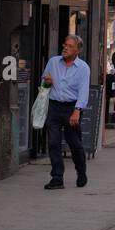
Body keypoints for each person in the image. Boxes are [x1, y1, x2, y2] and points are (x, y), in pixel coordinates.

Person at [43, 34, 91, 190]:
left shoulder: (83, 68)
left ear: (77, 50)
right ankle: (57, 178)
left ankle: (81, 171)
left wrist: (77, 111)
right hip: (54, 106)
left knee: (74, 143)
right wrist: (46, 82)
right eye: (65, 44)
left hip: (72, 108)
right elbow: (44, 82)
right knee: (53, 143)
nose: (65, 47)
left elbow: (83, 92)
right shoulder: (53, 62)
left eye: (70, 46)